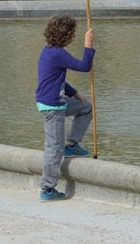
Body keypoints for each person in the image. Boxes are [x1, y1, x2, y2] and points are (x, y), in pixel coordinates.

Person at [36, 15, 95, 202]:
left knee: (85, 107)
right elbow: (84, 66)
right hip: (53, 106)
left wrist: (75, 93)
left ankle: (72, 145)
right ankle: (47, 188)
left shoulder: (49, 51)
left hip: (57, 100)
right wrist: (88, 44)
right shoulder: (58, 53)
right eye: (73, 33)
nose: (74, 36)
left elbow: (56, 78)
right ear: (66, 34)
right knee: (53, 148)